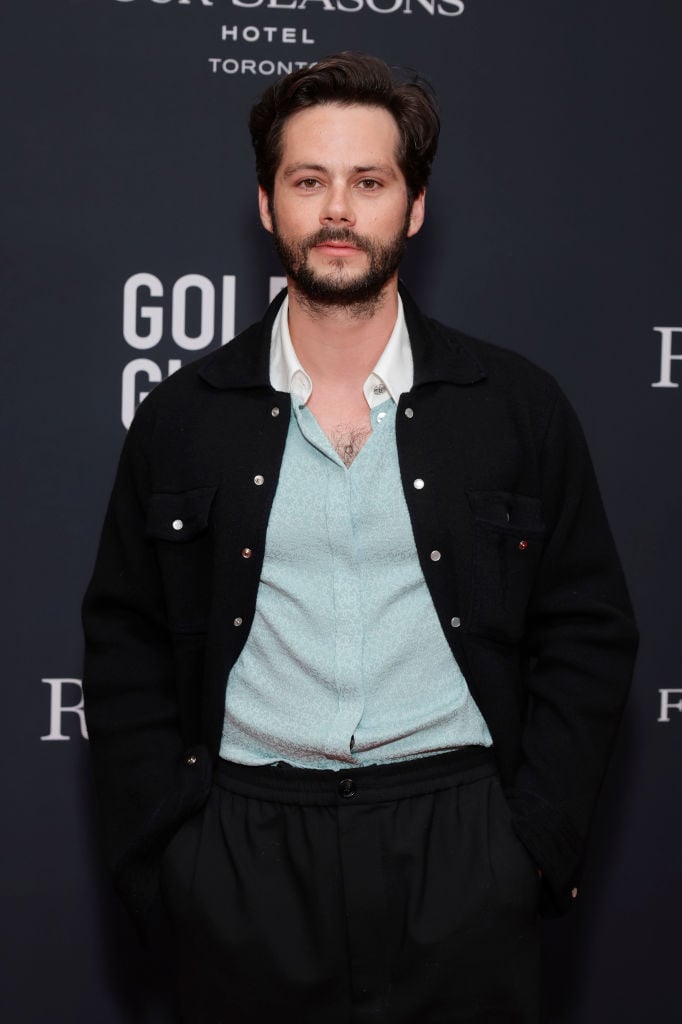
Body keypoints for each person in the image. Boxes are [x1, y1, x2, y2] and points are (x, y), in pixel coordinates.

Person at [83, 52, 638, 1024]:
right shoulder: (183, 417)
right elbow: (123, 643)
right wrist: (177, 864)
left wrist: (527, 848)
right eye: (309, 180)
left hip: (460, 851)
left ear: (414, 207)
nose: (338, 209)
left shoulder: (514, 409)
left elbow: (587, 633)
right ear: (267, 204)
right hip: (244, 858)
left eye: (368, 181)